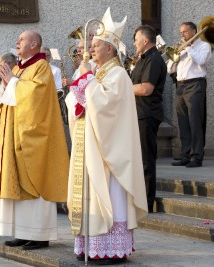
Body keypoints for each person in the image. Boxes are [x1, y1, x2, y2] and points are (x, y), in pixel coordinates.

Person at [66, 8, 147, 263]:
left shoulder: (118, 74)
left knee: (109, 193)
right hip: (89, 144)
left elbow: (106, 106)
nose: (90, 49)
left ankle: (111, 247)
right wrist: (82, 83)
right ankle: (90, 245)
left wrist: (86, 81)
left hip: (110, 151)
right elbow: (75, 102)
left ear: (110, 49)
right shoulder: (98, 72)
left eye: (97, 45)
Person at [0, 30, 69, 250]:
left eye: (21, 40)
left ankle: (40, 234)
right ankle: (23, 232)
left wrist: (12, 82)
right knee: (19, 185)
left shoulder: (41, 67)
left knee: (35, 181)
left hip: (34, 136)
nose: (16, 43)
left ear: (34, 44)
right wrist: (5, 83)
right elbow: (2, 100)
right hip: (14, 133)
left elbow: (35, 96)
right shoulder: (19, 67)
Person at [131, 25, 167, 213]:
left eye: (136, 39)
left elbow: (146, 89)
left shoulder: (153, 60)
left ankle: (147, 202)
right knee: (138, 159)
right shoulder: (143, 59)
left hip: (147, 115)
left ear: (145, 40)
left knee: (146, 159)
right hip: (138, 114)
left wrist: (121, 88)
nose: (135, 43)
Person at [168, 22, 212, 168]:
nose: (182, 35)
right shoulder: (182, 48)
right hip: (180, 85)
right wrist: (174, 56)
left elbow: (201, 60)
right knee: (183, 122)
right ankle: (185, 155)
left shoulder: (204, 46)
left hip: (195, 84)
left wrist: (188, 48)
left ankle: (197, 157)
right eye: (181, 32)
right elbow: (170, 69)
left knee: (195, 122)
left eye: (185, 32)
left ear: (194, 31)